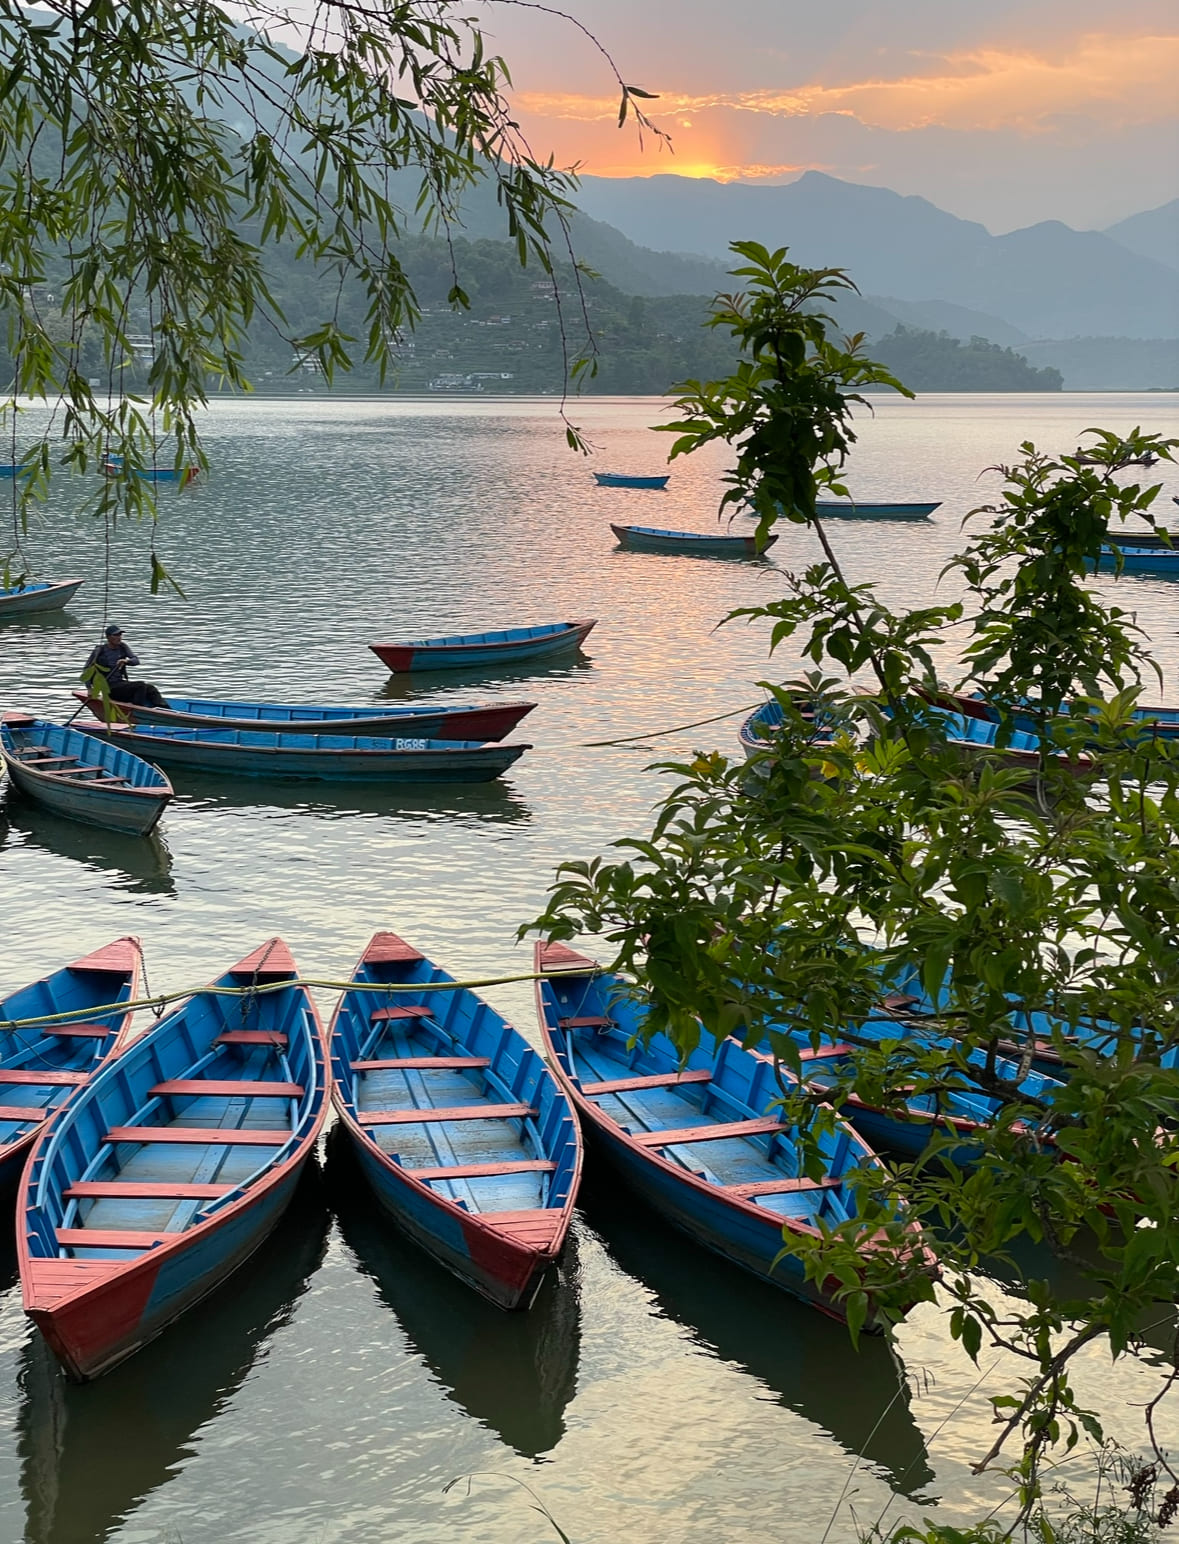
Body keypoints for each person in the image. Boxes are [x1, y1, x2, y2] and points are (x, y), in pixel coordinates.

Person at [83, 624, 168, 708]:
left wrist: (126, 661)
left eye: (120, 634)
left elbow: (136, 660)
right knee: (140, 685)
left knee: (150, 688)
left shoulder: (123, 647)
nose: (119, 637)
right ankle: (137, 708)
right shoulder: (99, 650)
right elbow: (87, 669)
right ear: (108, 637)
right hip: (109, 688)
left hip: (120, 684)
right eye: (116, 635)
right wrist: (89, 688)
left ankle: (165, 709)